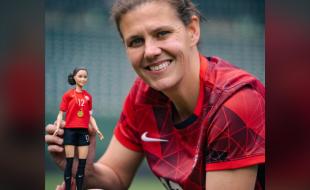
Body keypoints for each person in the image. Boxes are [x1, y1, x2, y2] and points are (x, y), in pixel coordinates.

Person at [45, 0, 265, 189]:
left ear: (192, 30)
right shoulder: (143, 95)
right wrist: (83, 170)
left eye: (162, 33)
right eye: (136, 41)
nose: (150, 51)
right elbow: (116, 175)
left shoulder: (234, 104)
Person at [52, 67, 104, 190]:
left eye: (85, 76)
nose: (83, 79)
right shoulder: (68, 95)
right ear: (74, 77)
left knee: (82, 164)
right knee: (69, 163)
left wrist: (97, 130)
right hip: (70, 131)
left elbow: (90, 116)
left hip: (83, 132)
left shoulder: (88, 97)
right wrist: (58, 126)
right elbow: (61, 113)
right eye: (80, 76)